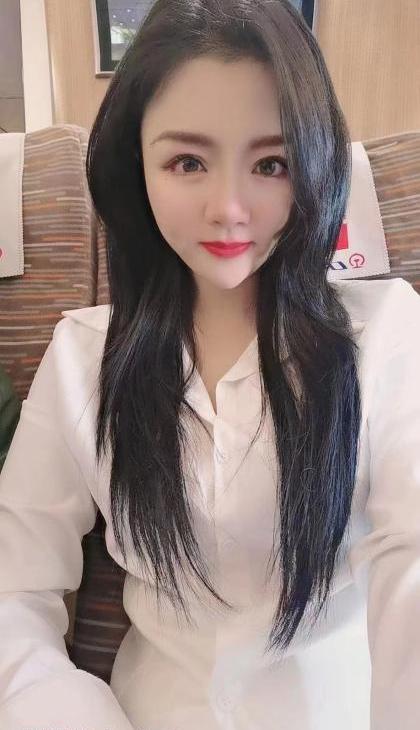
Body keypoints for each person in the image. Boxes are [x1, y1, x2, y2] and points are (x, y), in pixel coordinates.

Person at [0, 1, 419, 728]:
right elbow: (12, 586)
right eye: (187, 162)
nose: (229, 207)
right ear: (137, 166)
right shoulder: (82, 357)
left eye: (271, 164)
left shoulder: (385, 334)